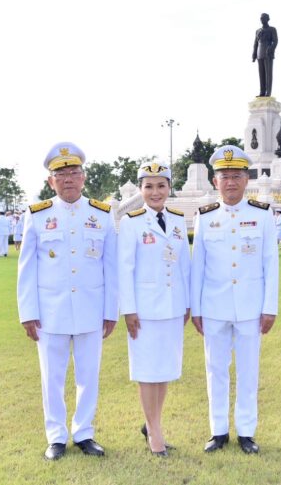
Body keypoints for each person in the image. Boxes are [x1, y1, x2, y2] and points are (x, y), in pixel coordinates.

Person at [17, 142, 118, 461]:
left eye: (74, 172)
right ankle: (56, 436)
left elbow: (110, 266)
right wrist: (28, 312)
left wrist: (110, 310)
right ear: (51, 182)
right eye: (61, 174)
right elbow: (26, 268)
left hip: (91, 308)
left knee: (89, 375)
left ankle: (85, 432)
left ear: (84, 177)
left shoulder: (101, 215)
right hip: (50, 312)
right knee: (52, 377)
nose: (68, 179)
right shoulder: (37, 215)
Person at [190, 145, 279, 455]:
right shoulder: (205, 217)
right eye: (224, 176)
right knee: (215, 370)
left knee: (248, 371)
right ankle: (218, 431)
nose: (230, 182)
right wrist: (197, 309)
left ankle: (246, 432)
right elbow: (197, 267)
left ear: (246, 179)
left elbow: (271, 263)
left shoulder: (263, 214)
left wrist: (270, 307)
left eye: (236, 176)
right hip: (213, 307)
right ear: (215, 182)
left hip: (250, 307)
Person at [118, 161, 190, 457]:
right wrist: (129, 310)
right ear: (141, 190)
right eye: (149, 186)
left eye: (161, 185)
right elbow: (125, 269)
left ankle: (153, 424)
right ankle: (155, 432)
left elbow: (184, 264)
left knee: (164, 370)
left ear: (169, 189)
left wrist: (187, 304)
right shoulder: (131, 222)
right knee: (147, 371)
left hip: (173, 306)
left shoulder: (177, 219)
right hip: (144, 310)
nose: (155, 192)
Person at [252, 13, 278, 97]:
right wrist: (254, 53)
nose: (262, 20)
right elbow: (255, 43)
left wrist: (271, 48)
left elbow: (275, 41)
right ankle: (262, 91)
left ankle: (268, 92)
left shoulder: (272, 29)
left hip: (268, 53)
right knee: (261, 74)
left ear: (268, 19)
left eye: (263, 18)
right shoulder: (257, 31)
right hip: (260, 53)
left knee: (268, 74)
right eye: (261, 18)